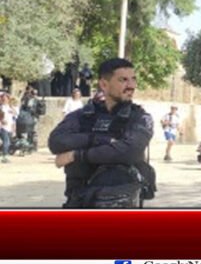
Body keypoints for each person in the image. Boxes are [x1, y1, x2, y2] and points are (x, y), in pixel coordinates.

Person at [48, 58, 154, 208]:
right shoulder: (82, 116)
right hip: (80, 200)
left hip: (121, 202)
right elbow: (56, 142)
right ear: (104, 84)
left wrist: (76, 155)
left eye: (133, 79)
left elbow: (129, 151)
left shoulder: (140, 117)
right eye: (123, 80)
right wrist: (100, 140)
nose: (131, 86)